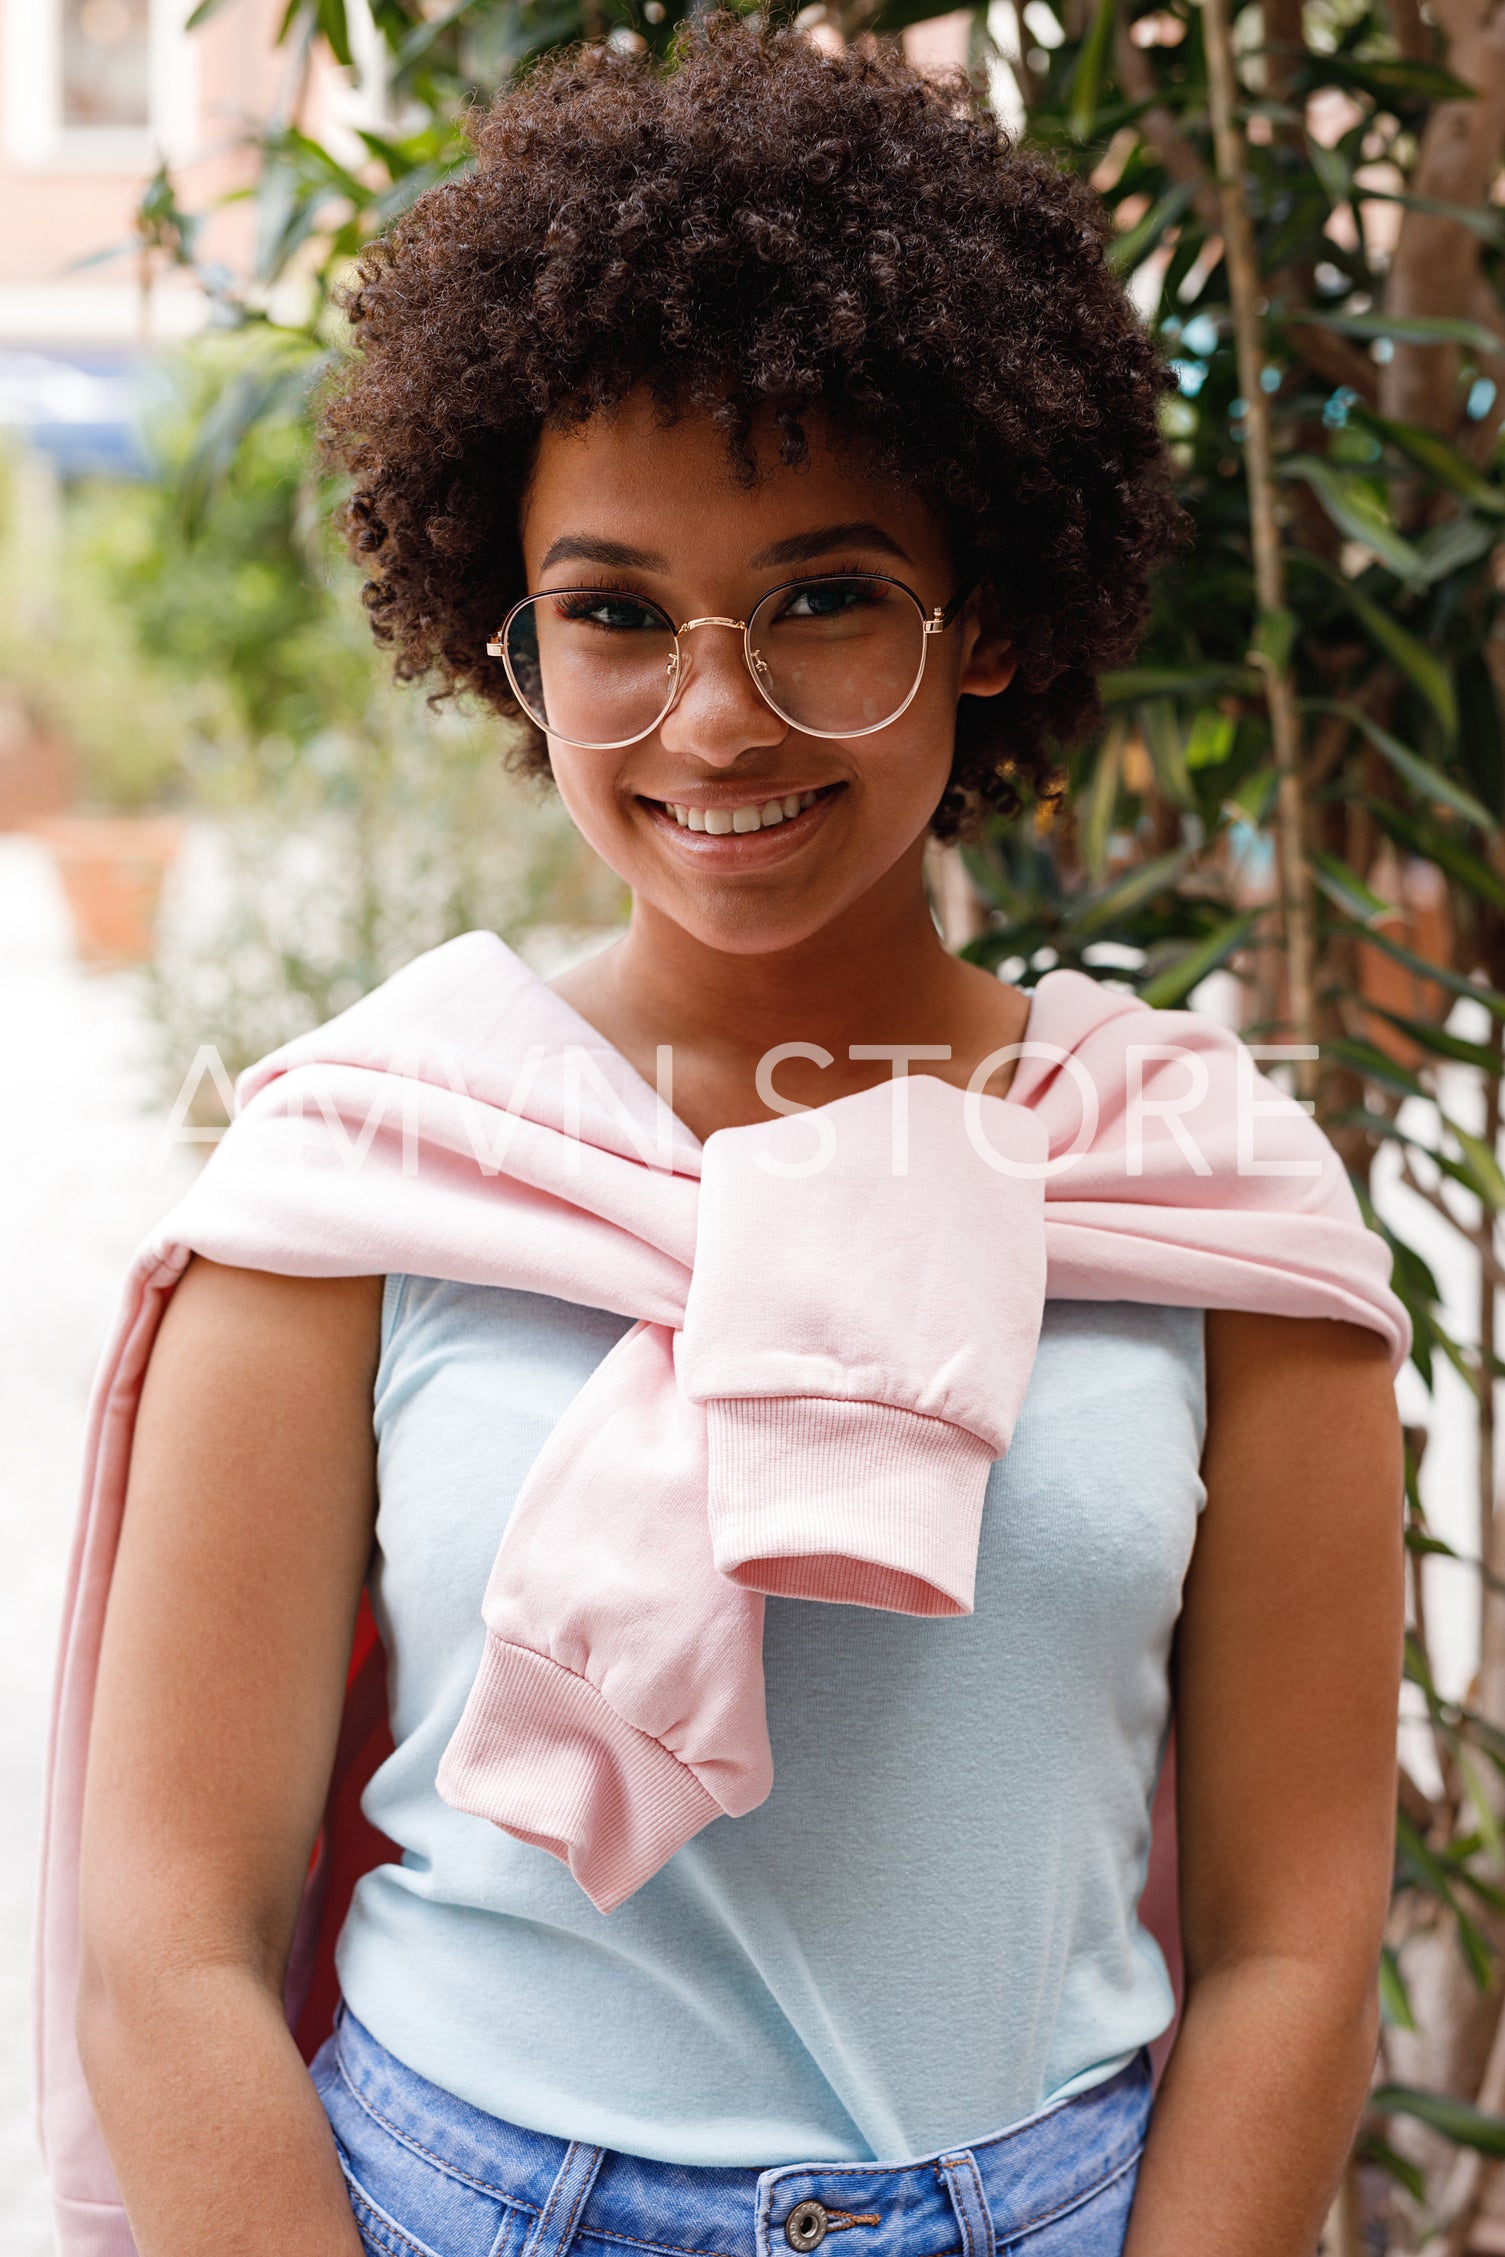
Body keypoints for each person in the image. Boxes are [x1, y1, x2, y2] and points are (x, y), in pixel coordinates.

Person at [68, 23, 1404, 2257]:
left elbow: (1293, 1939)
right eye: (613, 612)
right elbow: (167, 1943)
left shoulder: (1196, 1189)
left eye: (826, 598)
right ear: (509, 635)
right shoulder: (363, 1174)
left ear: (982, 618)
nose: (715, 717)